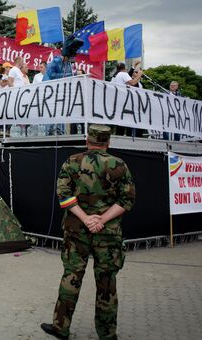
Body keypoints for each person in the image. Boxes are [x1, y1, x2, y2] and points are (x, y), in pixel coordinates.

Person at [41, 124, 136, 340]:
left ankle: (60, 327)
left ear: (87, 140)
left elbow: (63, 195)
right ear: (108, 143)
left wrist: (85, 219)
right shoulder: (119, 165)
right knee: (107, 283)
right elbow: (127, 200)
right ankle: (107, 334)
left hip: (77, 231)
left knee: (71, 276)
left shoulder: (72, 162)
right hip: (108, 233)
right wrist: (101, 219)